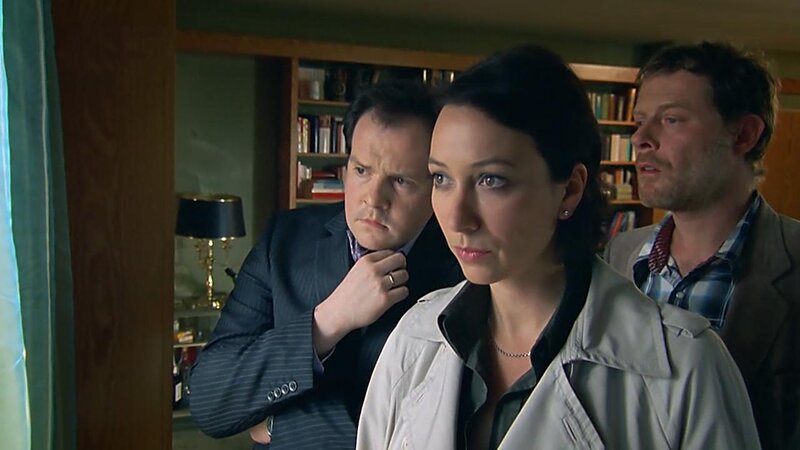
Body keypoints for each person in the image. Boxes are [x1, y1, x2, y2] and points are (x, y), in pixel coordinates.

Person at [357, 46, 760, 449]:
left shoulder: (686, 365)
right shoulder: (415, 336)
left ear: (569, 189)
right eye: (441, 179)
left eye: (491, 180)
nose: (458, 218)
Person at [189, 80, 463, 450]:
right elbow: (210, 400)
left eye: (400, 180)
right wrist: (327, 322)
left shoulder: (465, 266)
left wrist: (281, 423)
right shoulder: (285, 240)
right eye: (362, 170)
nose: (373, 198)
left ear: (436, 184)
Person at [604, 41, 800, 449]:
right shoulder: (620, 254)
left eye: (671, 119)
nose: (640, 138)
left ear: (743, 135)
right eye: (639, 121)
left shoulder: (792, 262)